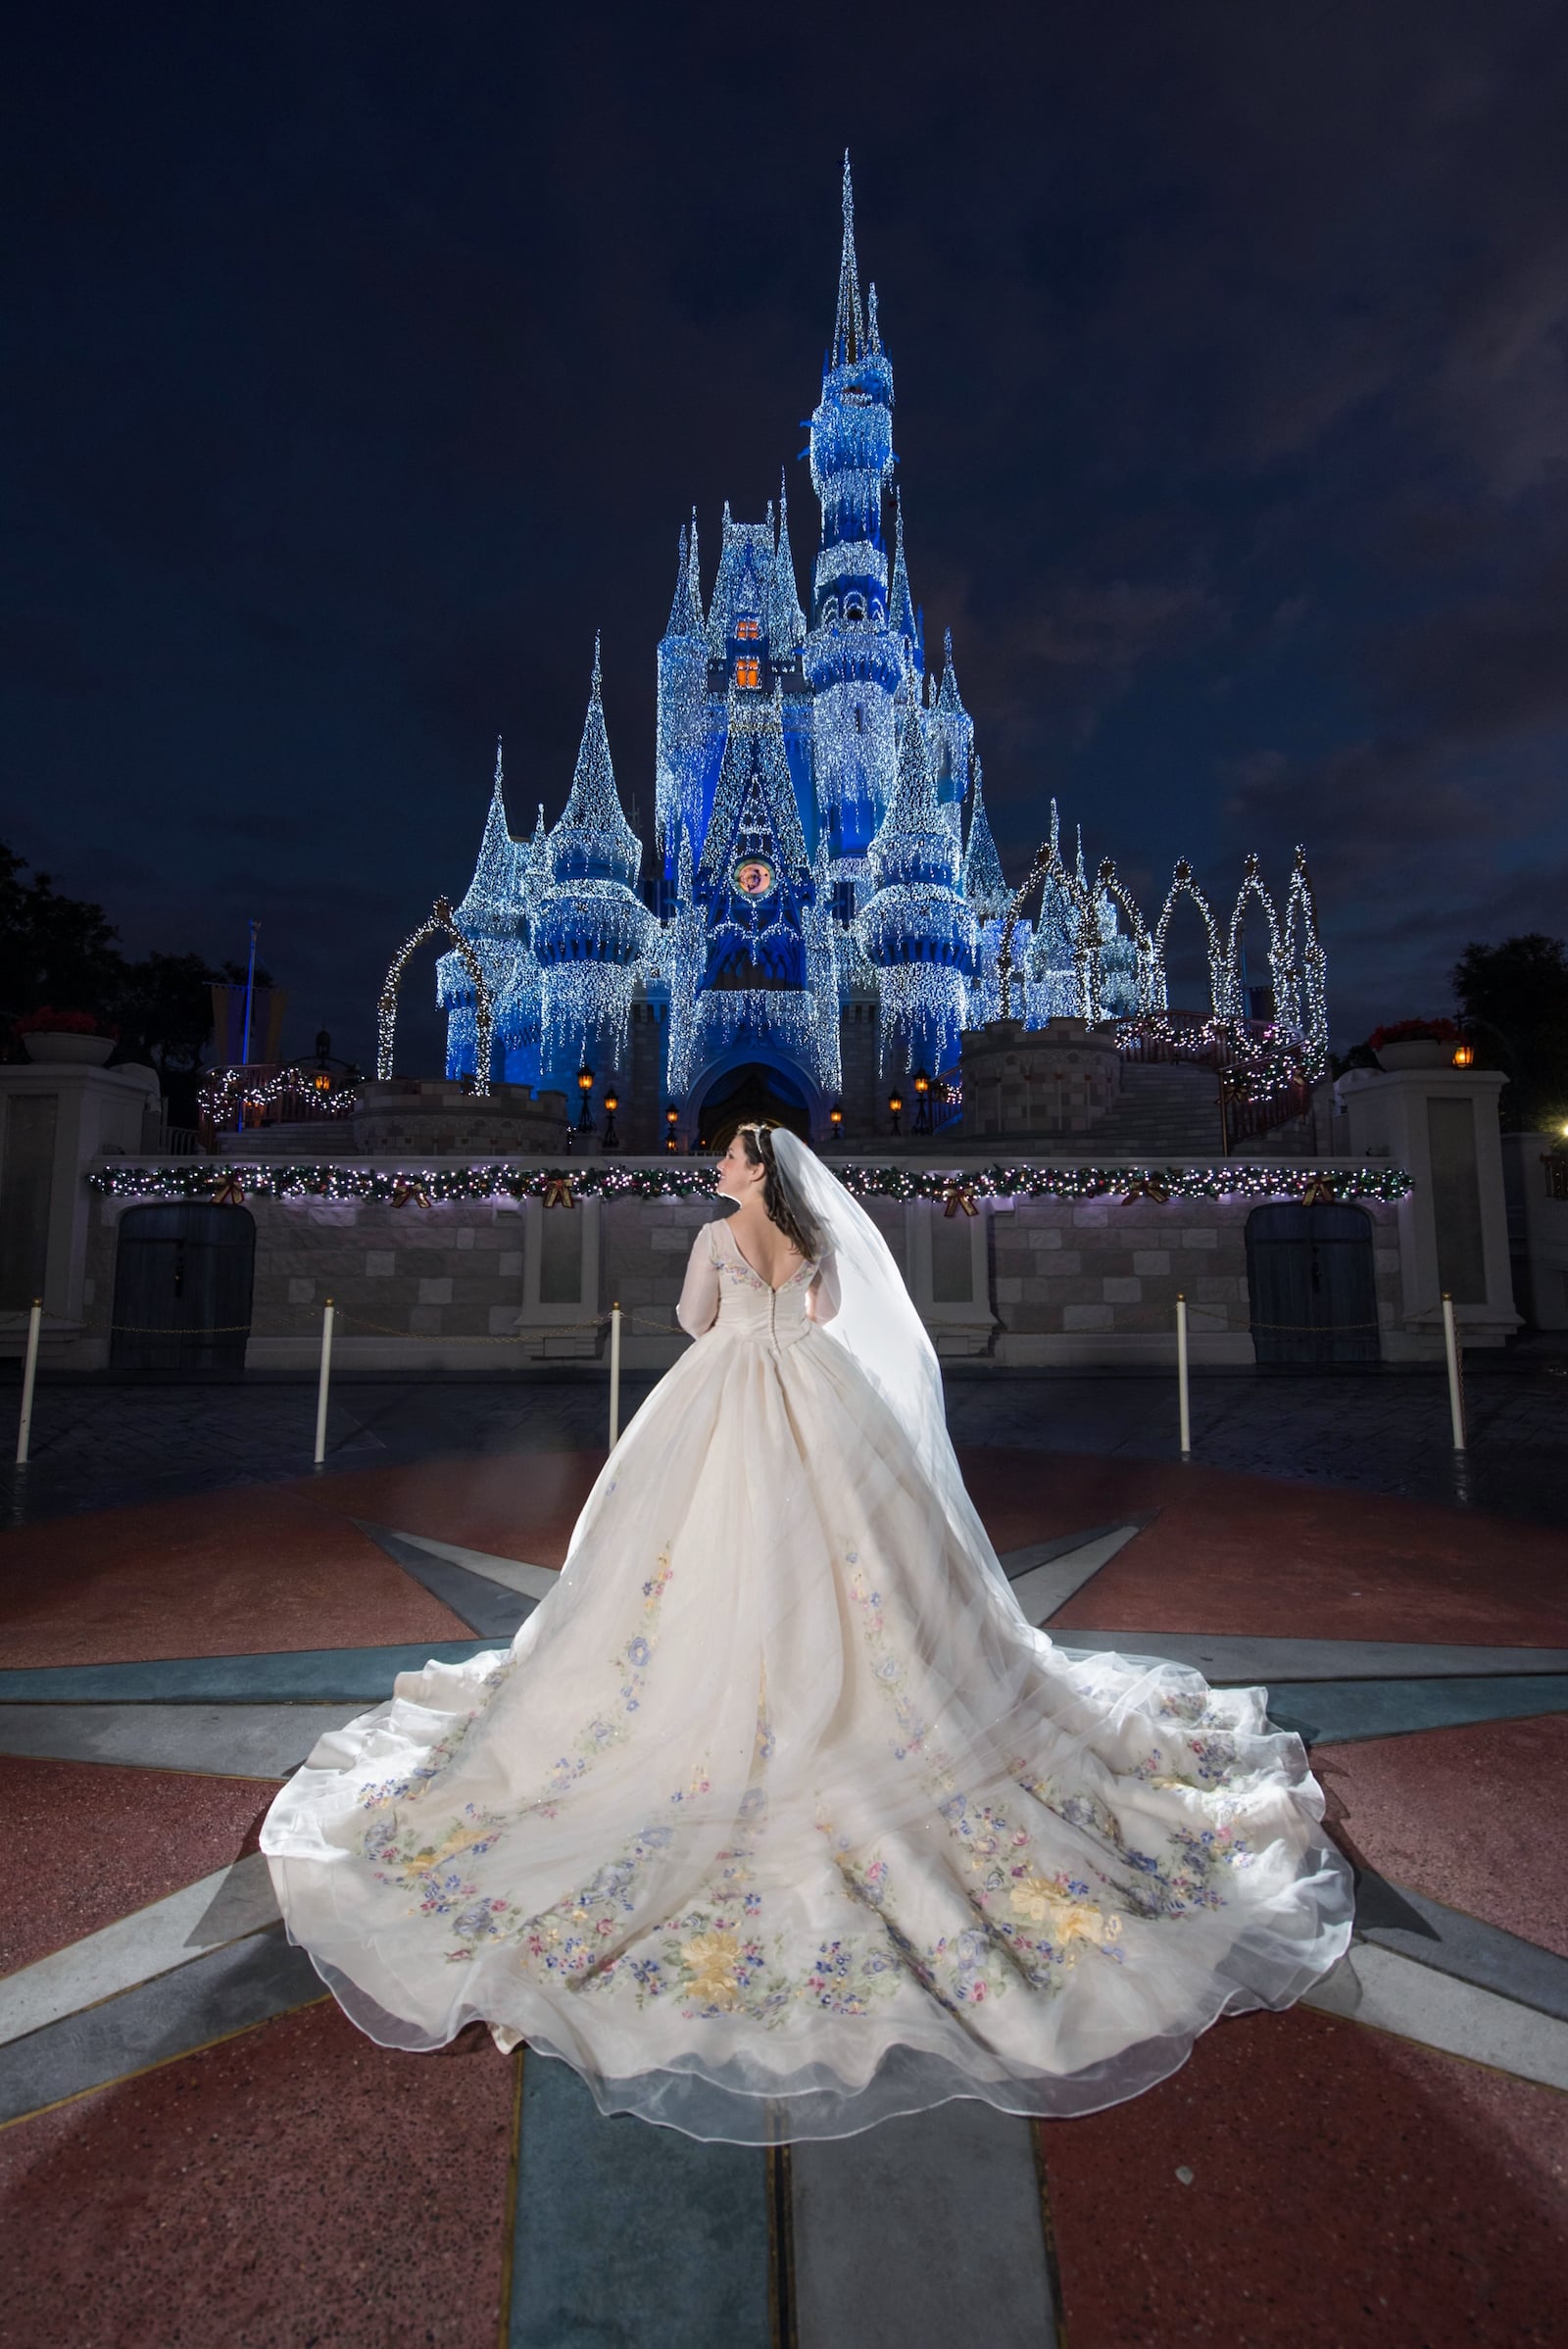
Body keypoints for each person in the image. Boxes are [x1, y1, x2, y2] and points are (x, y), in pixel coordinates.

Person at [261, 1121, 1353, 2144]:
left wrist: (737, 1312)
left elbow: (692, 1324)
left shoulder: (709, 1238)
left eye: (728, 1160)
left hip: (724, 1397)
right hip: (821, 1399)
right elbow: (829, 1319)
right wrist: (782, 1310)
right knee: (864, 1556)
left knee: (692, 1555)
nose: (717, 1169)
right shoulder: (818, 1233)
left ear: (752, 1173)